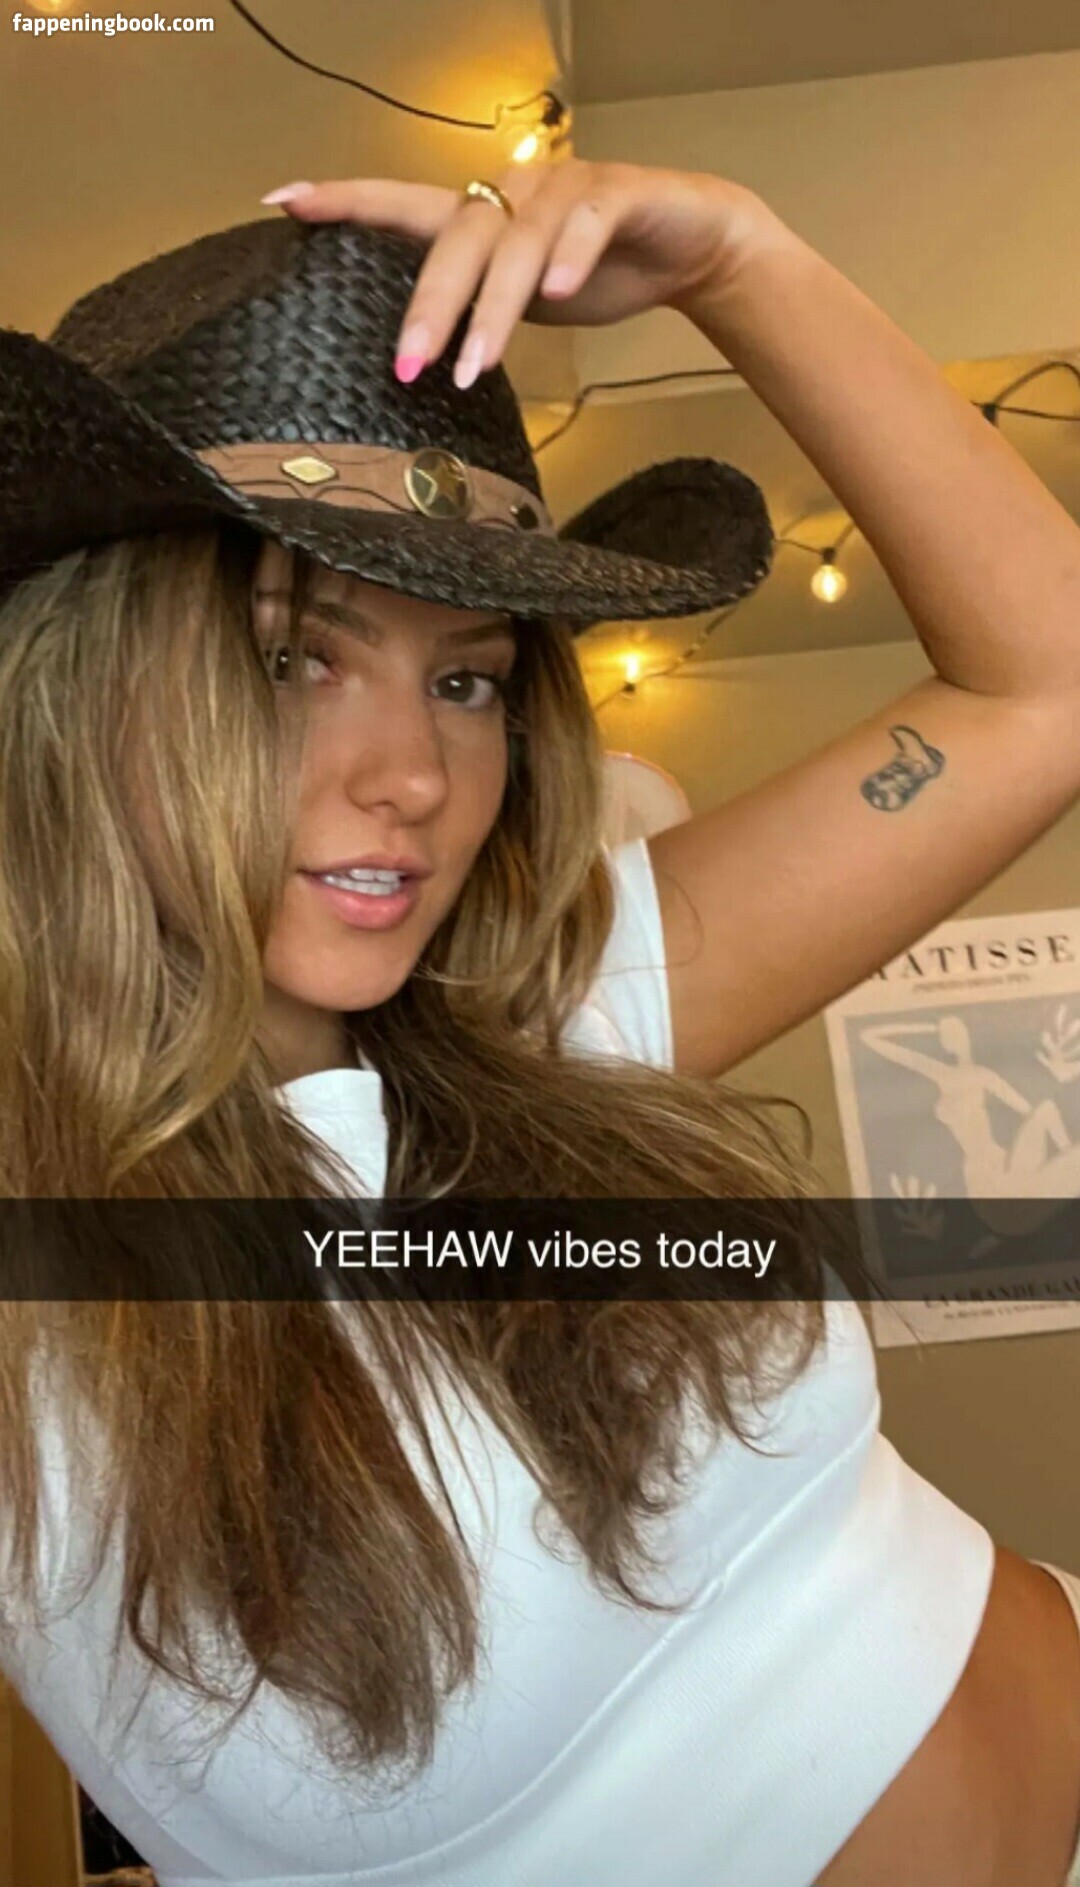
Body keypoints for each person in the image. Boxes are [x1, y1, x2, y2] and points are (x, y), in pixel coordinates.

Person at [0, 155, 1078, 1887]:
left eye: (467, 679)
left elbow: (1050, 683)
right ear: (79, 687)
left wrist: (742, 260)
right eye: (292, 658)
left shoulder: (552, 1013)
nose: (416, 775)